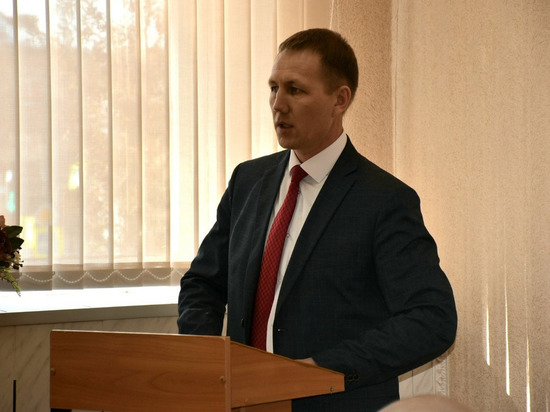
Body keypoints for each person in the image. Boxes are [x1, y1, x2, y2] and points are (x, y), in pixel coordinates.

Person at [178, 28, 457, 412]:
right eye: (273, 88)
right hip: (242, 400)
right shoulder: (248, 180)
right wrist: (206, 361)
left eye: (295, 90)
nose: (278, 104)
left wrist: (321, 369)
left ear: (339, 99)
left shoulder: (385, 200)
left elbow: (432, 320)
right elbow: (203, 283)